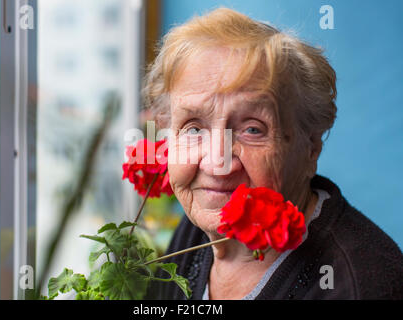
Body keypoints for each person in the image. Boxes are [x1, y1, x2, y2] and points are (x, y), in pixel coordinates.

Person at [144, 8, 403, 299]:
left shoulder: (359, 283)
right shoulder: (196, 230)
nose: (217, 164)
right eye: (194, 129)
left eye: (252, 130)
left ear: (311, 147)